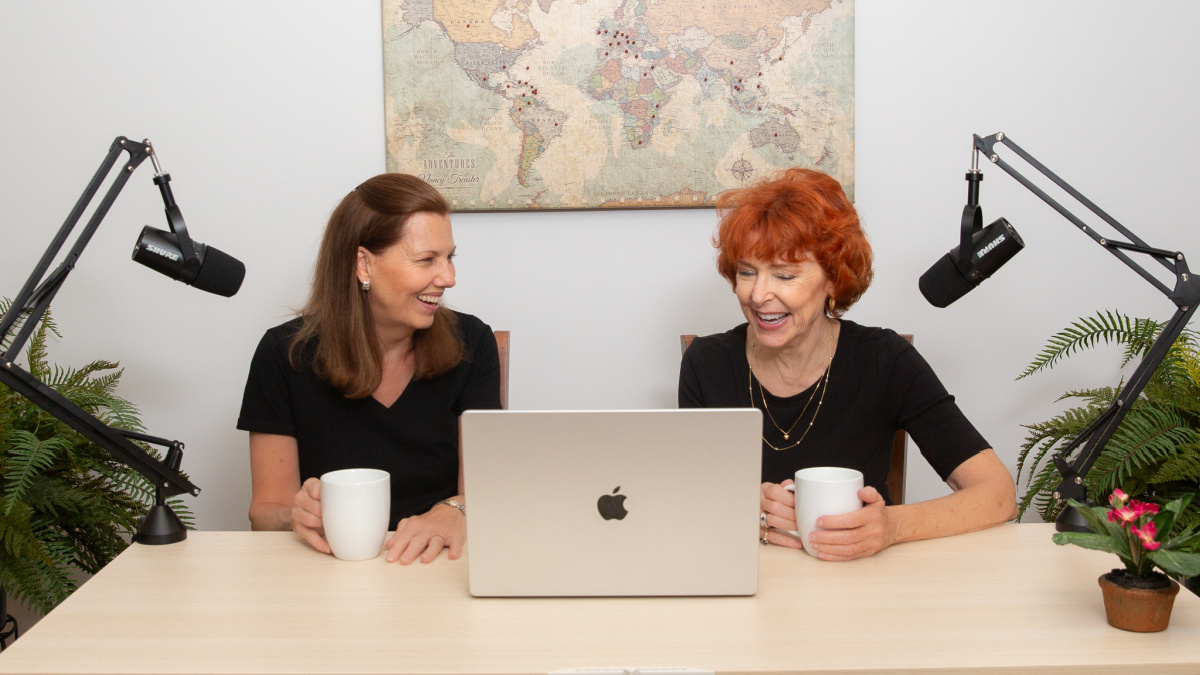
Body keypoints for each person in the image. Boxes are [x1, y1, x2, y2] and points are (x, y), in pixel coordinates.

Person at [679, 168, 1017, 561]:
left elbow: (998, 494)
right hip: (745, 579)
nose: (757, 295)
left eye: (785, 275)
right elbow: (686, 495)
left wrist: (892, 526)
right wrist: (741, 504)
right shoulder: (706, 363)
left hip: (860, 586)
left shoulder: (884, 360)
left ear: (833, 281)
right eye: (746, 272)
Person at [238, 173, 501, 564]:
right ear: (364, 264)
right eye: (427, 259)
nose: (448, 278)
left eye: (449, 257)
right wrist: (294, 514)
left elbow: (484, 492)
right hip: (327, 571)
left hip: (437, 565)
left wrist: (456, 510)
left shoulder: (473, 342)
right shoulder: (284, 354)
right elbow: (265, 511)